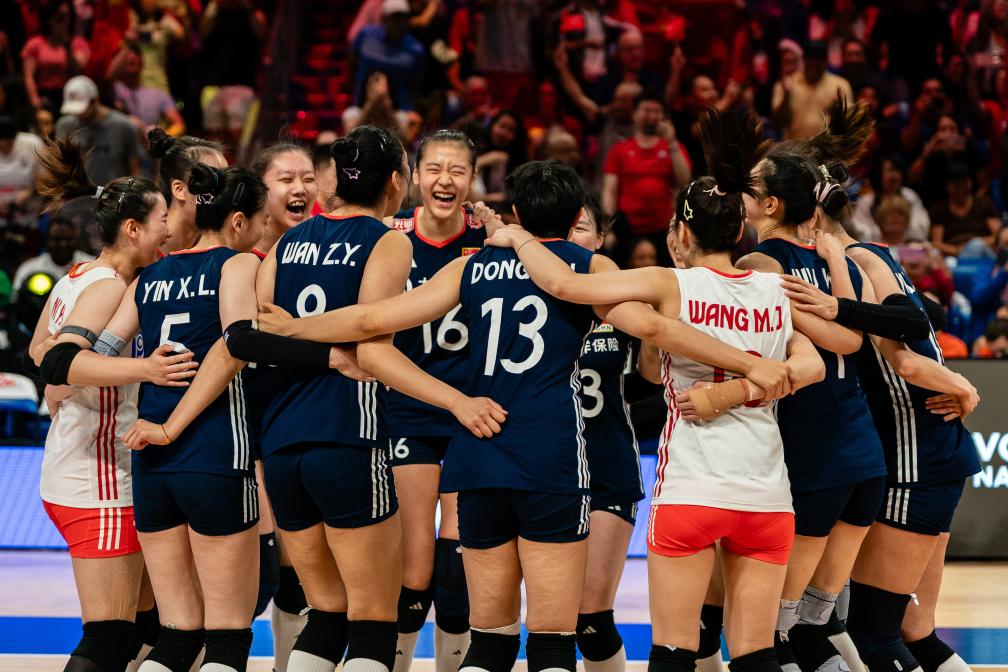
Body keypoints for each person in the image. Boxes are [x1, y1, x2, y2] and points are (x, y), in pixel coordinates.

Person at [251, 158, 795, 672]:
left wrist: (294, 328)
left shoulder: (471, 266)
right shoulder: (589, 266)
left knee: (489, 640)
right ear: (575, 214)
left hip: (478, 452)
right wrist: (749, 366)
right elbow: (652, 327)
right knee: (553, 638)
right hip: (551, 455)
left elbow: (372, 321)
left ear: (515, 213)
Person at [130, 125, 505, 672]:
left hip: (281, 445)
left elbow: (253, 335)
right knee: (373, 621)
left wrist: (296, 333)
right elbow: (371, 348)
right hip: (348, 436)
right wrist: (456, 401)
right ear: (396, 181)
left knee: (326, 614)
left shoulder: (285, 243)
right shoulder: (387, 239)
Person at [28, 138, 189, 672]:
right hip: (97, 480)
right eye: (162, 219)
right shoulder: (110, 287)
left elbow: (38, 348)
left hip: (80, 466)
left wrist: (62, 385)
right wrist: (145, 370)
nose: (169, 230)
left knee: (144, 626)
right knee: (110, 637)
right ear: (133, 229)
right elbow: (61, 361)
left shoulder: (75, 277)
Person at [383, 129, 486, 672]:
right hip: (408, 409)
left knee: (458, 565)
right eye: (435, 169)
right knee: (413, 567)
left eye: (457, 171)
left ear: (472, 180)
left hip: (473, 413)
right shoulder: (389, 236)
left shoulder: (491, 239)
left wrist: (502, 231)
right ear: (415, 177)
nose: (445, 180)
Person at [248, 141, 319, 672]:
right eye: (286, 179)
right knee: (258, 579)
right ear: (260, 190)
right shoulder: (239, 261)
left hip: (305, 425)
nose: (300, 188)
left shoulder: (325, 252)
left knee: (299, 577)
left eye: (308, 178)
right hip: (246, 429)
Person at [566, 195, 644, 672]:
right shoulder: (529, 299)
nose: (571, 235)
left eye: (581, 227)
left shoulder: (624, 301)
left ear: (600, 238)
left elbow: (652, 380)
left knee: (591, 620)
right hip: (548, 469)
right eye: (565, 226)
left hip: (607, 465)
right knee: (551, 618)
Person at [603, 93, 691, 264]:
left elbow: (684, 180)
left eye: (657, 111)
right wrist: (608, 227)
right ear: (635, 114)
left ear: (664, 116)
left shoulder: (673, 147)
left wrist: (671, 142)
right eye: (646, 110)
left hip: (664, 227)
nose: (651, 115)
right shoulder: (619, 149)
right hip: (628, 228)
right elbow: (609, 192)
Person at [146, 128, 227, 255]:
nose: (225, 192)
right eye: (212, 181)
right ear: (179, 190)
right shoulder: (144, 254)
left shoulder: (217, 250)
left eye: (226, 181)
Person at [55, 76, 141, 185]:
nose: (78, 114)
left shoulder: (123, 126)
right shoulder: (65, 126)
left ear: (94, 101)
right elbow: (60, 165)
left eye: (81, 109)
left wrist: (131, 191)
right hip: (79, 192)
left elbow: (135, 168)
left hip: (115, 192)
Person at [350, 0, 425, 112]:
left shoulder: (415, 49)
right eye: (393, 18)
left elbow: (416, 85)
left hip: (401, 112)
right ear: (384, 19)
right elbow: (352, 63)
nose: (398, 23)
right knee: (350, 116)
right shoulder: (366, 36)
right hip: (363, 107)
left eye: (402, 18)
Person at [772, 40, 853, 140]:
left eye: (817, 64)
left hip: (828, 147)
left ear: (825, 63)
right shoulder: (787, 83)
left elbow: (849, 124)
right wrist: (786, 96)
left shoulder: (840, 85)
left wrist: (837, 110)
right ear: (804, 61)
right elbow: (777, 124)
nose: (813, 68)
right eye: (810, 64)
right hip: (795, 147)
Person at [20, 1, 90, 113]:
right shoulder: (35, 44)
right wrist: (35, 102)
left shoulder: (78, 44)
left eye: (68, 17)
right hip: (45, 97)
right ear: (50, 19)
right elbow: (29, 77)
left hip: (71, 98)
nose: (65, 22)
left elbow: (77, 72)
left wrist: (67, 46)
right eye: (60, 17)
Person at [108, 44, 185, 136]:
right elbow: (107, 78)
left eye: (136, 55)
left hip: (149, 141)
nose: (132, 57)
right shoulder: (112, 88)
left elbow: (179, 124)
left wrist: (161, 138)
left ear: (142, 62)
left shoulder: (158, 95)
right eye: (127, 56)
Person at [928, 162, 1001, 258]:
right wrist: (958, 250)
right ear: (947, 186)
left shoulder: (984, 204)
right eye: (956, 184)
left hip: (984, 254)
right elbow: (937, 243)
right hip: (953, 257)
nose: (961, 188)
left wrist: (972, 245)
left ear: (970, 182)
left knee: (976, 246)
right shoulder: (939, 209)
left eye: (964, 182)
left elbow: (998, 236)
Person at [12, 217, 93, 294]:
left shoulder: (91, 265)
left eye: (68, 239)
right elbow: (16, 297)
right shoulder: (30, 268)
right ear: (46, 240)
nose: (63, 244)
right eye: (57, 239)